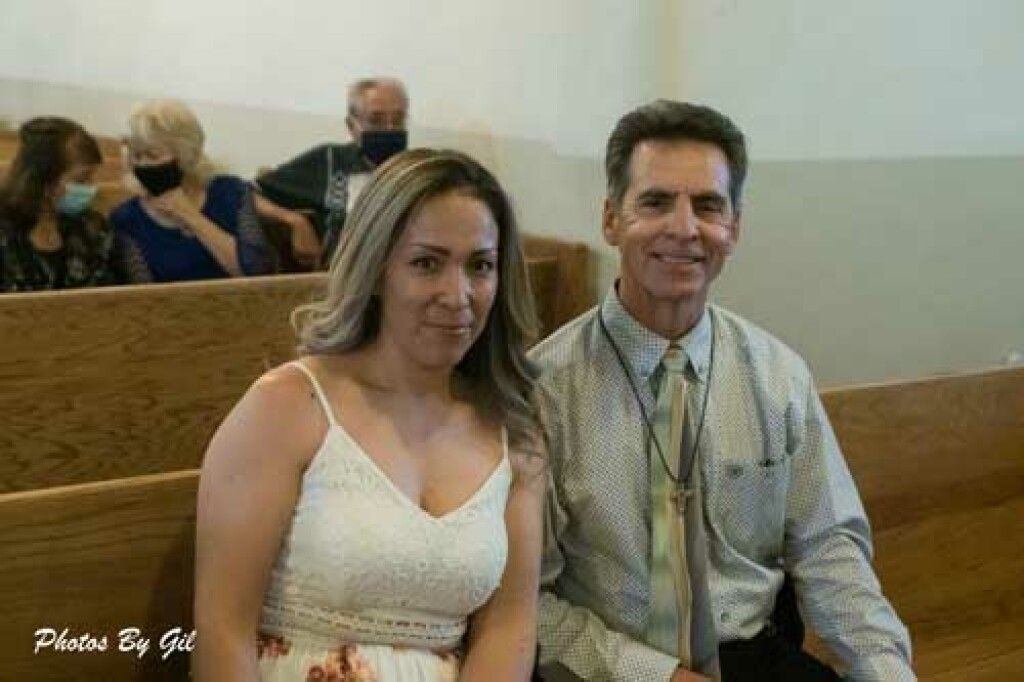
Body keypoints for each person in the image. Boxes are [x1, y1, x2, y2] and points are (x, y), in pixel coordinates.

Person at [531, 101, 914, 681]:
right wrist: (657, 676)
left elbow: (829, 550)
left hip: (752, 657)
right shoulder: (544, 391)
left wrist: (887, 671)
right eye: (655, 202)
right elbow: (526, 602)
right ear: (611, 219)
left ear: (733, 227)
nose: (684, 228)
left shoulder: (778, 376)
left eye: (708, 206)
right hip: (609, 667)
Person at [194, 148, 546, 681]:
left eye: (480, 266)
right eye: (426, 263)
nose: (458, 295)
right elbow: (222, 628)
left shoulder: (512, 433)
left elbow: (509, 629)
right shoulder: (287, 407)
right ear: (378, 269)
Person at [109, 99, 314, 282]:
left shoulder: (230, 194)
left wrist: (191, 217)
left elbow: (256, 273)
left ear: (184, 154)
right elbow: (143, 296)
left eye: (153, 156)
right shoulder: (127, 218)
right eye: (136, 156)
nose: (143, 165)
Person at [256, 77, 409, 263]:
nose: (390, 129)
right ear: (352, 126)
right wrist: (294, 221)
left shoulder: (416, 169)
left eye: (398, 120)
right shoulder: (329, 160)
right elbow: (247, 193)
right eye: (375, 120)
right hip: (337, 274)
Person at [0, 116, 118, 292]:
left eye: (92, 178)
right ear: (44, 181)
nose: (91, 187)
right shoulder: (6, 229)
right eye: (81, 180)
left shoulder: (93, 229)